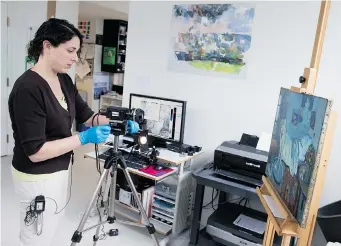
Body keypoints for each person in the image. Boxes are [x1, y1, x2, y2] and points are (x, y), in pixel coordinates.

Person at [8, 18, 110, 246]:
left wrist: (117, 120)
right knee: (36, 235)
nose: (75, 58)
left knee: (50, 228)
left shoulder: (63, 80)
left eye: (77, 51)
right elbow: (36, 152)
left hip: (59, 170)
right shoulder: (28, 88)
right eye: (70, 50)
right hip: (36, 175)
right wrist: (82, 137)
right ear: (47, 46)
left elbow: (87, 116)